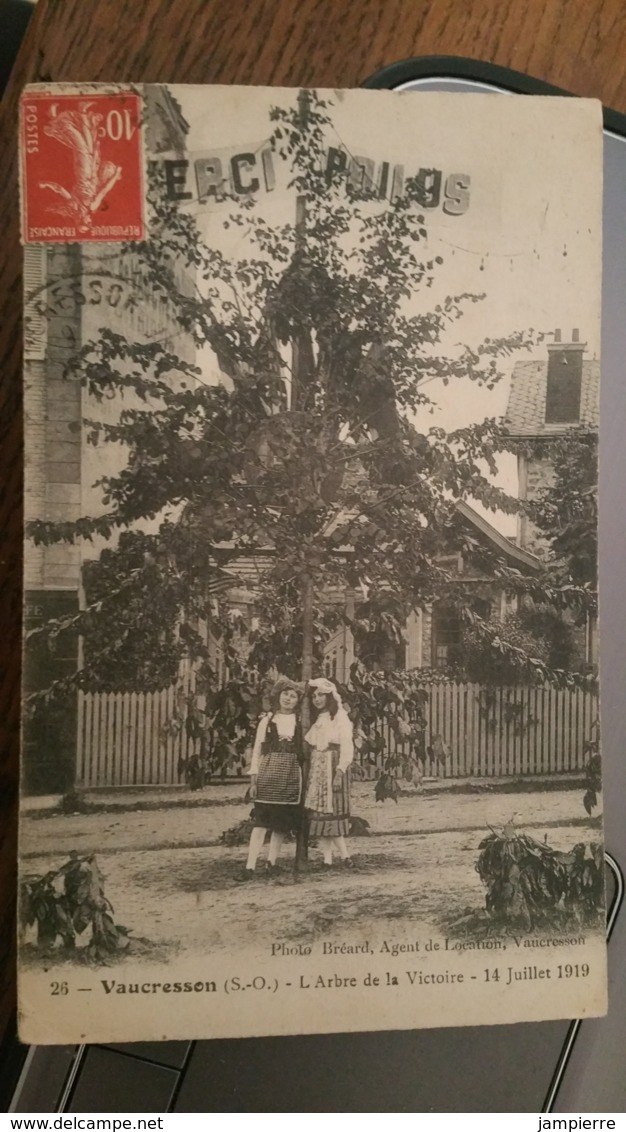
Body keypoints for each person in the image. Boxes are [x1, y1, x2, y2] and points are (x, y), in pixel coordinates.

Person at [237, 677, 304, 880]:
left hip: (291, 776)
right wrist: (253, 780)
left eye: (293, 696)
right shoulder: (267, 721)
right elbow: (257, 750)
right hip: (268, 775)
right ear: (278, 695)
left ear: (297, 701)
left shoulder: (300, 722)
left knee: (281, 824)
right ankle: (249, 866)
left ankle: (271, 863)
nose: (288, 699)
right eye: (285, 694)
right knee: (261, 823)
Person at [304, 677, 355, 868]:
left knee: (333, 813)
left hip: (333, 766)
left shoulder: (340, 717)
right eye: (314, 696)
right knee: (321, 816)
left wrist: (340, 772)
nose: (316, 699)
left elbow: (347, 747)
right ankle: (327, 859)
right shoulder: (319, 718)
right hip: (319, 768)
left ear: (330, 697)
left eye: (320, 696)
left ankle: (345, 856)